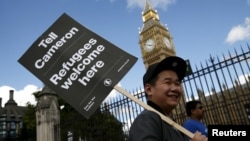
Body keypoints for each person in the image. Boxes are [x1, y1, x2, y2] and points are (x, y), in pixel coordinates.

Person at [128, 56, 207, 141]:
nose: (175, 88)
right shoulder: (146, 120)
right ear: (149, 89)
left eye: (177, 83)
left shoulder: (169, 122)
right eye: (168, 82)